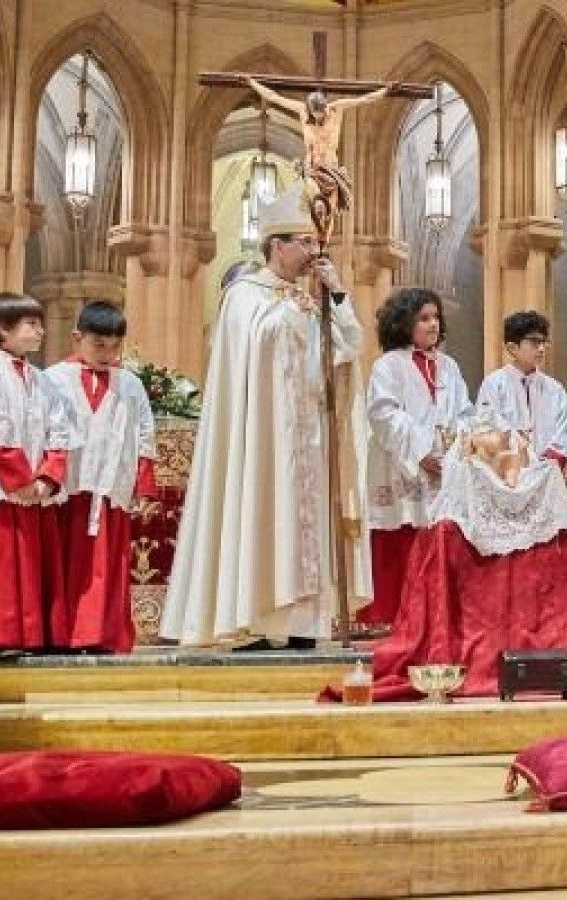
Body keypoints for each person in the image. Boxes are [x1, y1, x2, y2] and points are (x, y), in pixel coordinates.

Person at [321, 417, 567, 702]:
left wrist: (535, 461)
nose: (540, 349)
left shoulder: (529, 430)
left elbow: (560, 433)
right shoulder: (456, 509)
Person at [161, 187, 370, 650]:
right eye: (305, 242)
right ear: (277, 245)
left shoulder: (308, 296)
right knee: (263, 516)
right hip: (262, 439)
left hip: (307, 438)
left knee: (304, 528)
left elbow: (349, 348)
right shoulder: (244, 296)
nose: (314, 252)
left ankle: (302, 625)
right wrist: (291, 313)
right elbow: (257, 348)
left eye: (316, 244)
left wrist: (335, 295)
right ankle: (257, 621)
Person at [44, 301, 157, 654]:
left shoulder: (131, 384)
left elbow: (144, 434)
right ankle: (61, 634)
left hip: (109, 486)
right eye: (98, 345)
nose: (107, 354)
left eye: (114, 346)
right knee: (63, 562)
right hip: (68, 487)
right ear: (78, 338)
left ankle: (103, 634)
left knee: (105, 564)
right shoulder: (53, 379)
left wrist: (144, 482)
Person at [0, 293, 70, 655]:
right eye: (31, 324)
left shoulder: (41, 379)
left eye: (40, 323)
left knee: (31, 562)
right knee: (3, 562)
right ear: (3, 328)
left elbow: (60, 430)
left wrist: (47, 477)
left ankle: (30, 635)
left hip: (34, 487)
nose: (40, 331)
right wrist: (21, 480)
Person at [361, 287, 473, 631]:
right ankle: (392, 616)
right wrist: (422, 451)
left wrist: (457, 446)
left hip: (445, 466)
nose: (433, 324)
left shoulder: (449, 366)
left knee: (440, 536)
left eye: (436, 317)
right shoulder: (388, 365)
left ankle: (436, 617)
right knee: (401, 531)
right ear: (403, 322)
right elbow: (383, 413)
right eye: (424, 318)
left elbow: (465, 410)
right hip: (402, 463)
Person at [245, 77, 396, 213]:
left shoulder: (336, 108)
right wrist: (252, 83)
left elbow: (364, 99)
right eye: (315, 115)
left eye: (322, 114)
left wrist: (386, 90)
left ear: (325, 108)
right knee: (312, 194)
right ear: (310, 110)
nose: (319, 119)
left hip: (331, 168)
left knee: (333, 206)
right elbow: (273, 97)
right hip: (313, 167)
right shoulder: (302, 110)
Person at [475, 310, 567, 470]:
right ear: (512, 347)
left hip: (547, 470)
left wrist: (548, 460)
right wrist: (520, 452)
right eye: (534, 342)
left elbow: (565, 430)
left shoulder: (554, 389)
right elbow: (487, 425)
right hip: (508, 470)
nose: (542, 348)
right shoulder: (494, 384)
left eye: (544, 342)